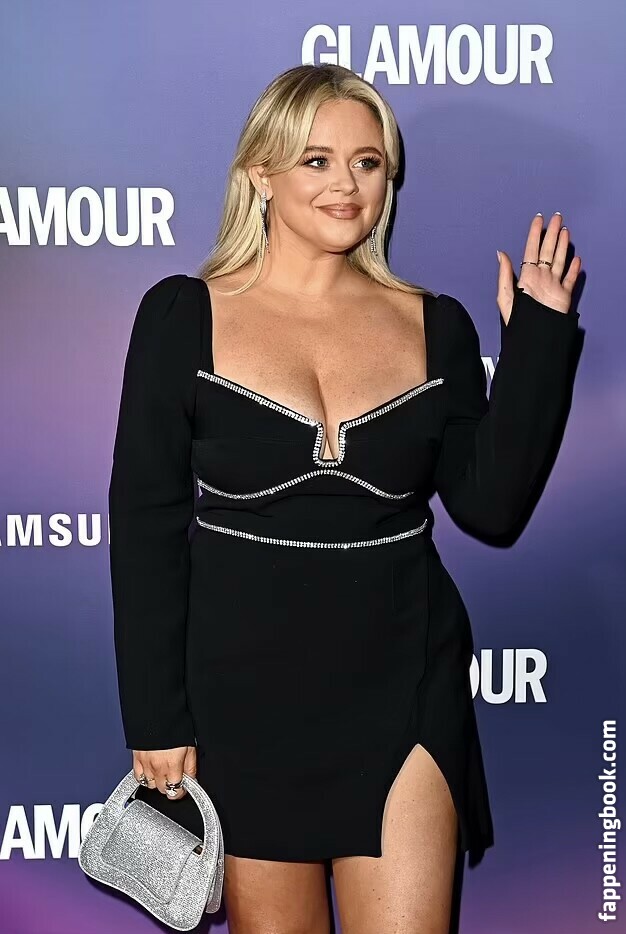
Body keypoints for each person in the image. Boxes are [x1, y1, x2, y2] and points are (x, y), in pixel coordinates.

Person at [108, 63, 581, 934]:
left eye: (369, 163)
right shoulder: (182, 317)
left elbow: (491, 507)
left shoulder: (435, 324)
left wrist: (539, 343)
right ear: (262, 173)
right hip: (244, 699)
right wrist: (156, 717)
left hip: (406, 682)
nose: (347, 185)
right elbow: (145, 528)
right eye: (317, 160)